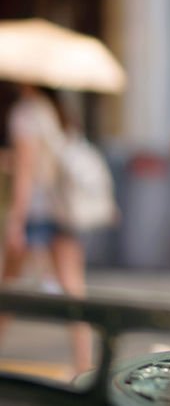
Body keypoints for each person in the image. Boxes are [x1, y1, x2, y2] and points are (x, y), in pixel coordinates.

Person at [1, 84, 91, 374]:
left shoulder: (25, 114)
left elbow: (27, 172)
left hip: (37, 210)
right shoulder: (59, 112)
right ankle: (84, 365)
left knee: (9, 288)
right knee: (74, 289)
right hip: (62, 207)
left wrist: (16, 220)